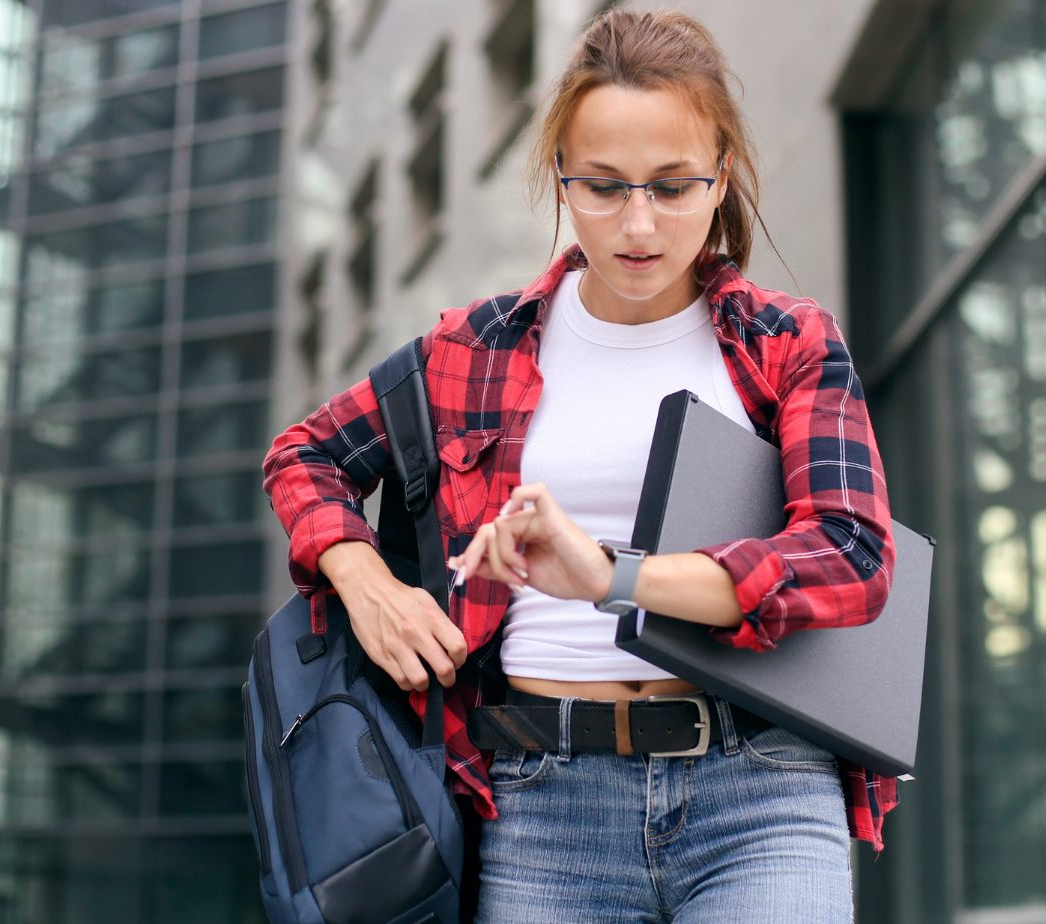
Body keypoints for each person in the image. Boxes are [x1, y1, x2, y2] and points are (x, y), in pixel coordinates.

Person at [263, 9, 896, 922]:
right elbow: (305, 454)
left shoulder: (782, 342)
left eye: (674, 187)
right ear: (561, 177)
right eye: (604, 187)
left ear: (722, 179)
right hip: (540, 804)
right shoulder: (473, 349)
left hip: (758, 791)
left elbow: (852, 557)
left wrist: (612, 575)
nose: (638, 224)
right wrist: (367, 582)